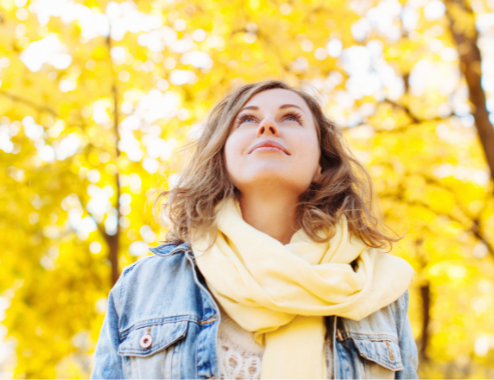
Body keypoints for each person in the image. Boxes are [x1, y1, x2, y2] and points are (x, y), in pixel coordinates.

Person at [91, 80, 418, 379]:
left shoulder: (378, 288)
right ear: (223, 154)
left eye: (291, 118)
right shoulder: (146, 284)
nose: (268, 125)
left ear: (321, 163)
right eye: (247, 119)